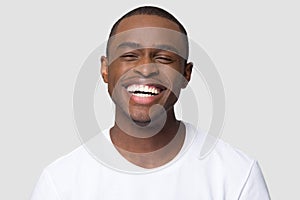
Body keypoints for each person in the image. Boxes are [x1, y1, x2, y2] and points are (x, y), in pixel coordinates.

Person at [31, 6, 271, 199]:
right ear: (105, 70)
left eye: (164, 58)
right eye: (129, 56)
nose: (145, 69)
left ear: (186, 74)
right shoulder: (61, 182)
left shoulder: (237, 174)